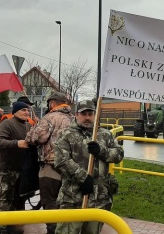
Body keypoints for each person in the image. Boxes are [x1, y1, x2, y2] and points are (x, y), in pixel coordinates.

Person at [54, 100, 124, 234]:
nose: (87, 117)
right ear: (76, 115)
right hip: (73, 196)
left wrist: (101, 151)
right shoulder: (66, 134)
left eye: (90, 114)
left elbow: (119, 154)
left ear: (95, 115)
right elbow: (61, 160)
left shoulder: (105, 135)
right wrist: (83, 177)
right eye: (83, 114)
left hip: (98, 198)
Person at [25, 91, 73, 234]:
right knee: (65, 203)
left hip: (51, 167)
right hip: (71, 168)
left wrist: (32, 131)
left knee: (50, 201)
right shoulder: (74, 118)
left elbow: (37, 138)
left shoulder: (49, 117)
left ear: (52, 103)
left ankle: (53, 231)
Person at [0, 102, 32, 234]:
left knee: (20, 197)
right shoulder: (7, 123)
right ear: (15, 111)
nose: (27, 112)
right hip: (7, 166)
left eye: (28, 110)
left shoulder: (28, 125)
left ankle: (15, 225)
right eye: (23, 110)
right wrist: (17, 143)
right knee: (5, 197)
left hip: (22, 167)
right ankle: (0, 228)